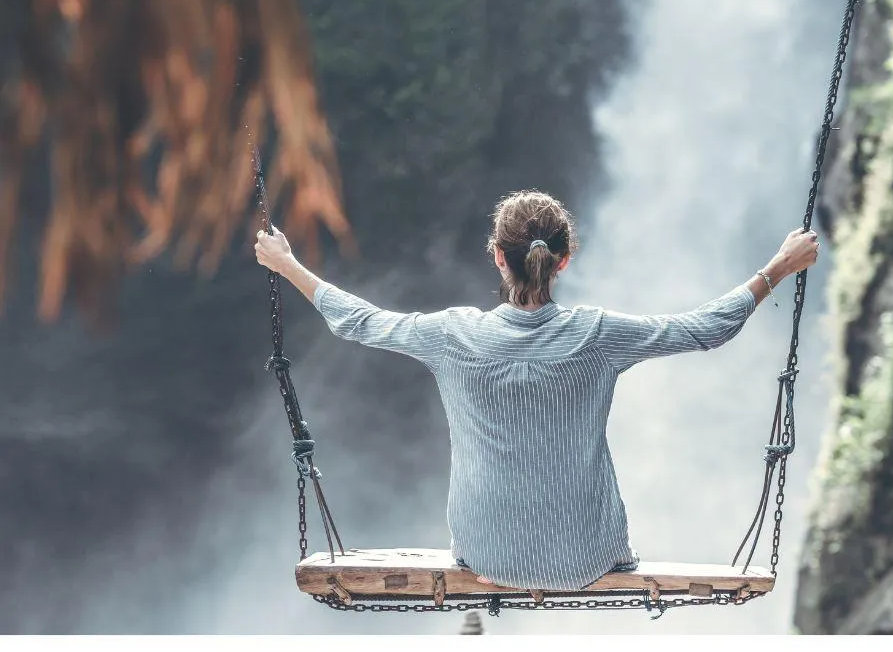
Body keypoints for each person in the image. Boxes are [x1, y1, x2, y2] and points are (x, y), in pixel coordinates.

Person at [253, 189, 819, 592]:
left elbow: (361, 321)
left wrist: (289, 265)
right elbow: (703, 330)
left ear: (498, 257)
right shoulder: (599, 335)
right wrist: (777, 268)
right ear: (563, 261)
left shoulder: (452, 335)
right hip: (589, 558)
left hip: (486, 555)